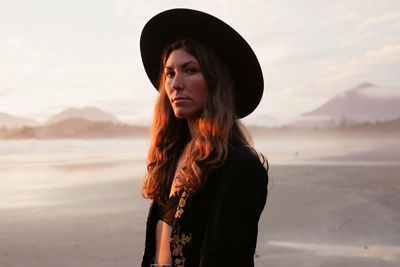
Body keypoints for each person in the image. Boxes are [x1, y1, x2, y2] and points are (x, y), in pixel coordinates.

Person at [139, 8, 268, 267]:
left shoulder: (239, 166)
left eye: (190, 70)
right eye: (170, 73)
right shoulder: (172, 155)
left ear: (215, 81)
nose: (176, 84)